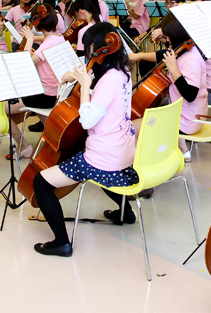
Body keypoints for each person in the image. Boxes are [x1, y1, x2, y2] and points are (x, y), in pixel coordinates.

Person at [31, 22, 138, 257]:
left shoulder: (107, 80)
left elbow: (87, 120)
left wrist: (85, 86)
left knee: (41, 183)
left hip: (105, 158)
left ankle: (61, 242)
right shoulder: (123, 71)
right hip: (124, 151)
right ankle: (126, 212)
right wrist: (79, 76)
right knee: (105, 172)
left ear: (97, 47)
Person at [129, 13, 207, 161]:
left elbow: (190, 95)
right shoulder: (185, 49)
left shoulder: (191, 60)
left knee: (132, 128)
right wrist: (139, 56)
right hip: (186, 113)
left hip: (187, 120)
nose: (167, 40)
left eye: (168, 36)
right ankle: (181, 148)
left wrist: (173, 69)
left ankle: (143, 164)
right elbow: (164, 54)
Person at [5, 3, 62, 157]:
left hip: (44, 95)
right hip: (55, 93)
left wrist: (29, 39)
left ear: (38, 23)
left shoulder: (48, 42)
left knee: (3, 110)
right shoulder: (59, 38)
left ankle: (23, 146)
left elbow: (25, 64)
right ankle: (54, 141)